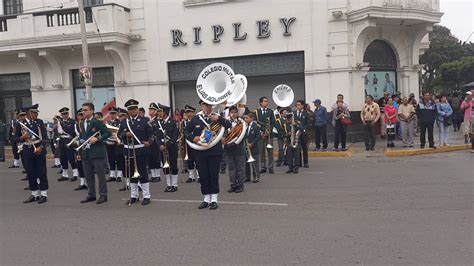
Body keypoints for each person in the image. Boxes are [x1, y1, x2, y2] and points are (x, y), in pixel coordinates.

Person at [185, 100, 231, 210]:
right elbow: (186, 131)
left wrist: (219, 119)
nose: (208, 107)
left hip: (214, 151)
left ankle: (214, 199)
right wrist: (193, 138)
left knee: (213, 175)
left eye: (210, 105)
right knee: (203, 176)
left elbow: (229, 125)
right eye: (206, 105)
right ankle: (206, 199)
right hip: (200, 151)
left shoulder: (217, 116)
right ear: (201, 106)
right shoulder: (196, 118)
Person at [119, 99, 152, 206]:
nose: (132, 111)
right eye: (130, 109)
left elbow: (152, 134)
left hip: (140, 149)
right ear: (128, 111)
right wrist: (125, 135)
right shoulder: (124, 122)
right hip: (128, 150)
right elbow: (119, 135)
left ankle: (146, 196)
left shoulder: (144, 120)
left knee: (142, 173)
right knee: (131, 173)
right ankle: (134, 196)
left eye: (134, 109)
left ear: (137, 109)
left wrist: (149, 142)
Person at [77, 102, 111, 204]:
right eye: (82, 110)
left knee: (100, 176)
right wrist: (80, 148)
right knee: (88, 175)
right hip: (86, 153)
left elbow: (107, 133)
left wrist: (97, 138)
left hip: (97, 152)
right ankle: (91, 194)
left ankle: (103, 195)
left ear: (91, 111)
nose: (83, 112)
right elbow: (82, 136)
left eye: (86, 110)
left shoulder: (98, 122)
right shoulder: (81, 123)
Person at [17, 104, 49, 204]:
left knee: (41, 172)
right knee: (31, 173)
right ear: (29, 113)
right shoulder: (20, 124)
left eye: (36, 113)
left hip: (39, 150)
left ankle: (44, 194)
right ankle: (34, 194)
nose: (36, 115)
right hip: (27, 150)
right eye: (34, 113)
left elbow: (45, 138)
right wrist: (22, 138)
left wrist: (41, 147)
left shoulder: (39, 122)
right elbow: (13, 139)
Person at [157, 103, 179, 192]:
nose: (158, 113)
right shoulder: (159, 123)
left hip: (171, 148)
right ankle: (168, 184)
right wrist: (160, 145)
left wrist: (167, 145)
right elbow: (157, 136)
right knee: (165, 167)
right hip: (162, 148)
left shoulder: (173, 122)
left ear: (165, 112)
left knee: (173, 166)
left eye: (160, 111)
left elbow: (175, 136)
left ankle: (174, 185)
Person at [225, 106, 246, 193]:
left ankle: (240, 185)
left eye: (235, 112)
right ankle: (233, 184)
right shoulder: (225, 122)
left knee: (240, 168)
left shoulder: (241, 122)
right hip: (228, 148)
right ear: (229, 113)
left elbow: (244, 135)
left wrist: (235, 142)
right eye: (232, 112)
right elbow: (222, 132)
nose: (233, 114)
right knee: (231, 167)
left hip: (239, 147)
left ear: (238, 113)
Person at [57, 107, 79, 182]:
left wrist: (74, 140)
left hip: (70, 140)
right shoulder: (60, 122)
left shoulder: (73, 122)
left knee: (71, 158)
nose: (65, 115)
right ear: (61, 115)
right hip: (62, 141)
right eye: (63, 114)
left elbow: (77, 133)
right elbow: (59, 132)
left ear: (68, 113)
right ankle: (64, 175)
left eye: (66, 113)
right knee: (62, 158)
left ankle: (75, 174)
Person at [254, 96, 275, 174]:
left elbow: (273, 122)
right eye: (265, 101)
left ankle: (270, 167)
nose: (266, 103)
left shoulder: (270, 111)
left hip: (269, 134)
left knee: (270, 151)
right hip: (261, 134)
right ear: (261, 103)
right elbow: (255, 123)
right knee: (262, 151)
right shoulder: (256, 111)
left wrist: (268, 131)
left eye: (267, 101)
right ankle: (263, 167)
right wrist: (261, 132)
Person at [105, 107, 124, 182]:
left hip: (116, 143)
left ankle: (119, 175)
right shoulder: (108, 122)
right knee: (111, 159)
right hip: (109, 143)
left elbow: (118, 133)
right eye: (111, 113)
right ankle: (112, 175)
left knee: (118, 158)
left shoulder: (119, 123)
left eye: (113, 113)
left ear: (116, 114)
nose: (112, 115)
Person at [243, 111, 260, 182]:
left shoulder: (255, 126)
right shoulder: (245, 126)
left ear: (252, 118)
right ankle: (247, 177)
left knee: (255, 163)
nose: (245, 119)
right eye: (245, 118)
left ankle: (256, 176)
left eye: (247, 118)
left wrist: (252, 144)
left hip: (254, 147)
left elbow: (258, 136)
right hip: (246, 147)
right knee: (246, 163)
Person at [146, 103, 162, 183]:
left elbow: (157, 132)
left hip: (155, 142)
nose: (150, 111)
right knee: (150, 159)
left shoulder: (157, 120)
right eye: (150, 109)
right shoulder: (149, 120)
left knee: (156, 158)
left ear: (156, 111)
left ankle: (158, 176)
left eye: (152, 109)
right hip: (149, 142)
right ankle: (153, 175)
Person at [183, 105, 198, 183]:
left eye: (189, 112)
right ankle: (191, 176)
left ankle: (199, 176)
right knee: (190, 160)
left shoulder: (197, 120)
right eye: (186, 112)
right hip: (188, 143)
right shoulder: (184, 123)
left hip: (196, 142)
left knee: (198, 159)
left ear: (193, 113)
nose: (188, 114)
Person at [294, 100, 309, 168]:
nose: (298, 106)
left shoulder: (306, 113)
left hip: (303, 133)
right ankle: (298, 162)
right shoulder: (294, 113)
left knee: (304, 148)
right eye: (297, 105)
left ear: (302, 105)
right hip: (296, 133)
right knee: (297, 149)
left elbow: (307, 123)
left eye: (299, 105)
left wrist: (303, 129)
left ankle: (306, 163)